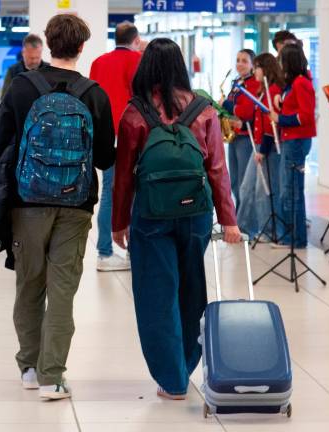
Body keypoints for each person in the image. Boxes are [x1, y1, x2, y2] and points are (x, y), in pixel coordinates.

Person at [0, 14, 116, 400]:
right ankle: (52, 377)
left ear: (47, 43)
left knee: (29, 283)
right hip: (76, 204)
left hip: (26, 201)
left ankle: (29, 367)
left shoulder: (23, 86)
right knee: (62, 290)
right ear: (82, 47)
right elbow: (105, 157)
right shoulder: (94, 94)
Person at [112, 38, 241, 400]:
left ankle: (172, 380)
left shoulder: (135, 113)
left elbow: (124, 176)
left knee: (157, 293)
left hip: (151, 216)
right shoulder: (204, 110)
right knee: (191, 288)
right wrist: (228, 219)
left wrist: (118, 222)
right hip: (195, 214)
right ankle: (186, 363)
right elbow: (217, 169)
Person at [89, 21, 142, 272]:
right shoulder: (139, 60)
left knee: (108, 194)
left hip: (105, 136)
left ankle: (104, 253)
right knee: (136, 193)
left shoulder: (98, 62)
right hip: (132, 135)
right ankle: (134, 252)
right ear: (136, 40)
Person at [269, 44, 316, 249]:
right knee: (289, 191)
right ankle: (293, 237)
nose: (279, 65)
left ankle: (295, 239)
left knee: (292, 192)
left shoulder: (301, 83)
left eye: (281, 60)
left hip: (296, 141)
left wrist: (280, 118)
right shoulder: (292, 84)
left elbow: (305, 116)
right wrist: (281, 101)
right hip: (291, 140)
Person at [237, 53, 285, 238]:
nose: (255, 71)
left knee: (263, 191)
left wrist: (263, 150)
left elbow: (270, 125)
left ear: (265, 69)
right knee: (246, 188)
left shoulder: (273, 90)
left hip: (267, 147)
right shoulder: (263, 90)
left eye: (257, 67)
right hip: (258, 144)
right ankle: (244, 228)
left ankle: (269, 231)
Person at [222, 49, 260, 206]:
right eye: (238, 60)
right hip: (234, 135)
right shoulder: (237, 82)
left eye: (244, 61)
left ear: (252, 65)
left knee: (244, 181)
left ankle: (245, 217)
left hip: (245, 136)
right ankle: (238, 213)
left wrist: (227, 105)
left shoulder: (254, 83)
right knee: (234, 181)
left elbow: (246, 111)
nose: (240, 64)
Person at [1, 34, 48, 99]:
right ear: (23, 53)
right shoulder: (13, 71)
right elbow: (5, 99)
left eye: (37, 57)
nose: (34, 61)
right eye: (31, 58)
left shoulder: (49, 70)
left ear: (41, 52)